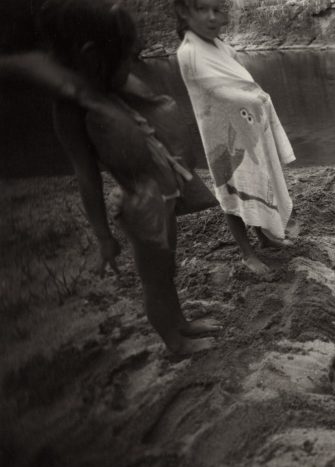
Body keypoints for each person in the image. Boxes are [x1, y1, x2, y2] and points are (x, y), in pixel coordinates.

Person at [36, 0, 220, 355]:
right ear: (92, 58)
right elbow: (87, 178)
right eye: (127, 57)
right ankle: (174, 341)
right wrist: (104, 237)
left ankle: (180, 322)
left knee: (167, 270)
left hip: (164, 192)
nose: (133, 64)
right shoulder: (71, 109)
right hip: (141, 206)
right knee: (154, 280)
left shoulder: (113, 84)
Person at [175, 0, 296, 278]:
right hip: (222, 138)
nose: (211, 17)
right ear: (184, 12)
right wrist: (257, 98)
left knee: (257, 181)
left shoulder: (220, 46)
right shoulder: (189, 52)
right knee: (232, 193)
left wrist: (256, 96)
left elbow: (244, 79)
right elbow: (221, 91)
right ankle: (247, 254)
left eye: (217, 10)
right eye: (202, 10)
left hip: (246, 129)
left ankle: (264, 236)